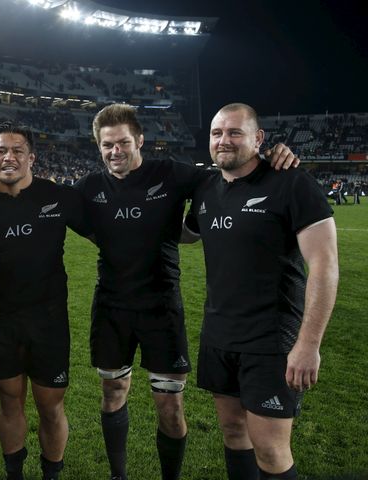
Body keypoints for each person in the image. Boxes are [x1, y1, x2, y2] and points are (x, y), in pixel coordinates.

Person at [71, 103, 298, 480]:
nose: (116, 151)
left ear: (140, 140)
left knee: (170, 408)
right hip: (111, 308)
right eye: (107, 144)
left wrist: (272, 155)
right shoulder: (88, 189)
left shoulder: (174, 174)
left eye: (123, 142)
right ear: (98, 146)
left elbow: (231, 171)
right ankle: (118, 475)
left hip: (162, 308)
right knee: (112, 393)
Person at [184, 103, 338, 480]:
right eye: (217, 133)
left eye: (235, 132)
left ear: (259, 139)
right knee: (234, 433)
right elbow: (182, 234)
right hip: (219, 336)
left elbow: (325, 266)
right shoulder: (205, 188)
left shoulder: (291, 182)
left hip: (271, 339)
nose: (224, 140)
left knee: (270, 449)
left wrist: (308, 344)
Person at [0, 123, 90, 480]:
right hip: (4, 322)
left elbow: (102, 229)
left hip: (50, 321)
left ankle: (50, 475)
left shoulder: (57, 197)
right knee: (9, 404)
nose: (8, 157)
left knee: (50, 406)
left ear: (31, 158)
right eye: (0, 151)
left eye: (16, 151)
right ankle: (15, 475)